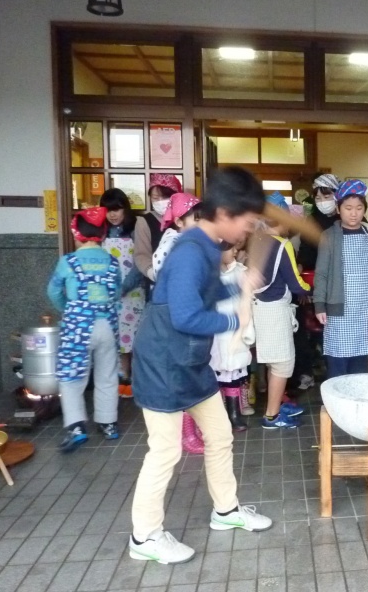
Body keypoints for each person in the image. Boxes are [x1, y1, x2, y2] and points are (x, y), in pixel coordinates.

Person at [129, 167, 271, 565]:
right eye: (245, 221)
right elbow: (186, 315)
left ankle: (225, 511)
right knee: (165, 451)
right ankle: (144, 536)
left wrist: (238, 284)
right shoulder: (191, 251)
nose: (247, 230)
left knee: (220, 435)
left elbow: (200, 293)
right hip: (163, 365)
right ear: (224, 213)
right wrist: (234, 319)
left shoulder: (206, 245)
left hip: (191, 362)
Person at [48, 207, 122, 452]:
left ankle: (77, 427)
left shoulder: (68, 261)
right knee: (107, 374)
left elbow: (53, 291)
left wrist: (68, 309)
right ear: (103, 234)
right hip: (107, 325)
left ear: (76, 234)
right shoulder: (112, 262)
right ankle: (108, 423)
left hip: (78, 326)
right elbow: (117, 292)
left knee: (72, 377)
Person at [147, 192, 205, 455]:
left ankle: (192, 428)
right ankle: (186, 434)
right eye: (195, 218)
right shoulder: (173, 242)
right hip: (177, 318)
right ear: (179, 221)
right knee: (183, 373)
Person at [253, 192, 311, 430]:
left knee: (272, 362)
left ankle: (274, 406)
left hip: (259, 308)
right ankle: (272, 416)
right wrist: (311, 286)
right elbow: (297, 284)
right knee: (283, 365)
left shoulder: (257, 241)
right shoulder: (282, 245)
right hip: (276, 311)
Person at [314, 179, 368, 378]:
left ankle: (357, 396)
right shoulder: (329, 236)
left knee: (360, 362)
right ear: (338, 209)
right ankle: (336, 397)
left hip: (365, 308)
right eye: (348, 208)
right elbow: (322, 272)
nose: (354, 213)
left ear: (365, 210)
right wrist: (319, 305)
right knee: (338, 361)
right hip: (338, 309)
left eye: (359, 208)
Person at [292, 173, 341, 391]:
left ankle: (337, 375)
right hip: (314, 286)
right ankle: (312, 372)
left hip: (341, 288)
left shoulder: (347, 219)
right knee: (312, 332)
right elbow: (303, 256)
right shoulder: (310, 221)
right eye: (318, 197)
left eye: (327, 196)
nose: (322, 201)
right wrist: (301, 285)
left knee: (337, 334)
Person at [100, 188, 145, 398]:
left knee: (134, 339)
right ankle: (122, 378)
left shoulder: (136, 229)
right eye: (108, 210)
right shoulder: (102, 233)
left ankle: (137, 380)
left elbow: (140, 262)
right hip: (110, 297)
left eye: (116, 209)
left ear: (125, 209)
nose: (113, 214)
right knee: (116, 340)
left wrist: (125, 287)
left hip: (133, 294)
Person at [211, 241, 255, 430]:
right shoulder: (209, 274)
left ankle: (234, 413)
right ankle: (217, 416)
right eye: (230, 248)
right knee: (216, 373)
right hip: (214, 333)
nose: (236, 251)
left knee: (234, 373)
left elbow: (247, 302)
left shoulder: (241, 272)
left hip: (236, 332)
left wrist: (247, 330)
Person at [134, 174, 181, 283]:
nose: (160, 201)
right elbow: (141, 255)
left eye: (165, 197)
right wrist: (152, 273)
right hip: (155, 282)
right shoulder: (144, 222)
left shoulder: (184, 219)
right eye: (155, 198)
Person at [151, 192, 201, 280]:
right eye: (197, 220)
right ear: (179, 222)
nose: (203, 224)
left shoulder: (193, 239)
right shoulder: (170, 244)